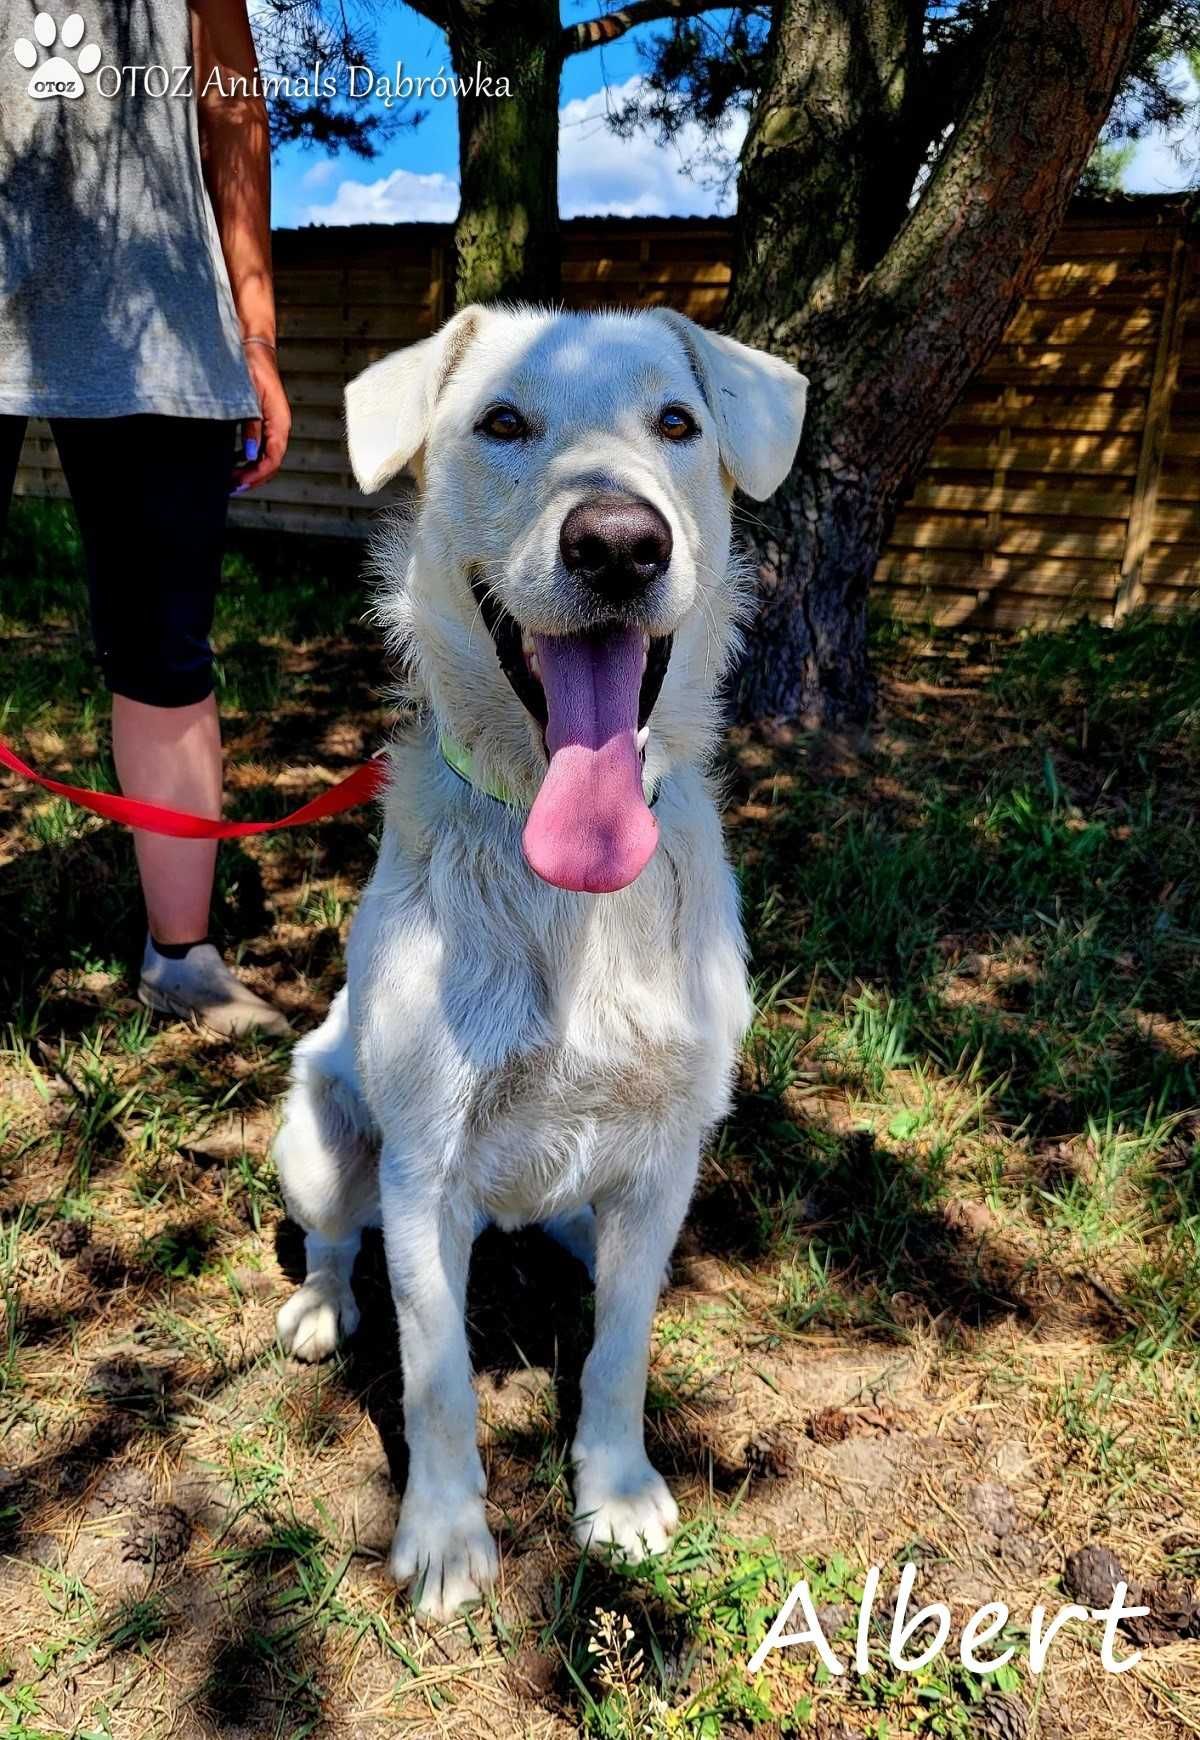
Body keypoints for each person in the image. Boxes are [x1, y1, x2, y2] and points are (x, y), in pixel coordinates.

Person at [0, 0, 292, 1037]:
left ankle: (184, 958)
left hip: (160, 292)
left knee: (167, 648)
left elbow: (229, 100)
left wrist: (256, 337)